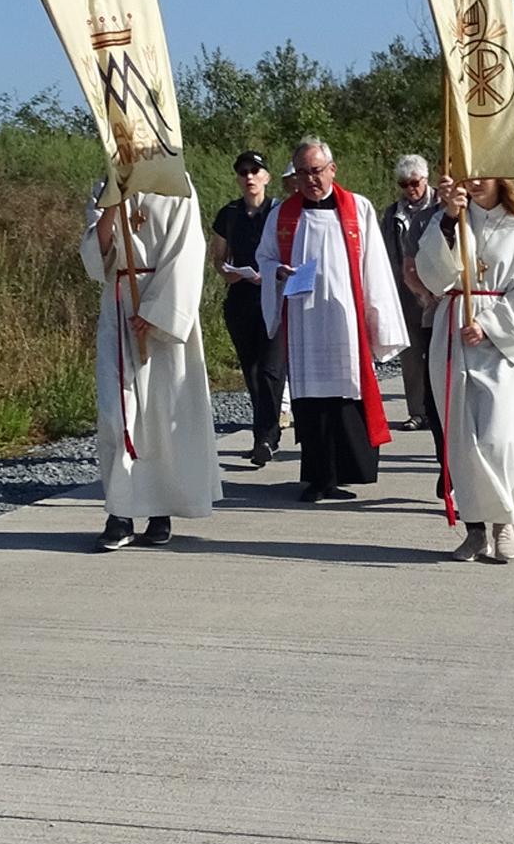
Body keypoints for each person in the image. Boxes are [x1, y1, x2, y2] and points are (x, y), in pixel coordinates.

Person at [255, 138, 410, 501]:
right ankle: (318, 478)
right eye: (303, 173)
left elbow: (375, 264)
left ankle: (348, 472)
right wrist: (278, 271)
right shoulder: (283, 214)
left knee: (346, 391)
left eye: (317, 171)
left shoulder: (357, 208)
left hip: (346, 319)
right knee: (311, 399)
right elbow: (264, 257)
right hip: (305, 320)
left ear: (332, 170)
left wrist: (379, 318)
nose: (311, 180)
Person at [81, 181, 223, 550]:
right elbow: (97, 258)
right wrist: (112, 204)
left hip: (162, 312)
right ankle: (120, 513)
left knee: (164, 412)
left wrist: (158, 312)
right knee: (117, 413)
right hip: (120, 306)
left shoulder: (177, 184)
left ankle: (161, 511)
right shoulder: (105, 184)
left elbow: (188, 251)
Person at [419, 173, 514, 563]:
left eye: (482, 176)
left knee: (498, 437)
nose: (473, 183)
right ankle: (474, 530)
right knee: (459, 436)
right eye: (466, 176)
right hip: (455, 327)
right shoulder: (452, 219)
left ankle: (504, 522)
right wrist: (446, 218)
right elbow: (434, 275)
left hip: (496, 338)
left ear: (499, 179)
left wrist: (491, 326)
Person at [209, 151, 283, 467]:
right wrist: (228, 272)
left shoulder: (279, 211)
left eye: (255, 170)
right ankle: (264, 435)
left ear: (266, 176)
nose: (249, 177)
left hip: (274, 297)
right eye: (243, 172)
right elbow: (218, 257)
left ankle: (267, 436)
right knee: (252, 372)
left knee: (271, 370)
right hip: (241, 299)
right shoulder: (229, 213)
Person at [379, 155, 443, 432]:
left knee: (440, 354)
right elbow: (384, 253)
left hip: (440, 290)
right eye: (404, 184)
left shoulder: (443, 206)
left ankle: (440, 408)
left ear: (426, 180)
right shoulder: (393, 213)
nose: (410, 189)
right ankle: (416, 412)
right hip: (405, 292)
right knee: (411, 356)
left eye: (414, 183)